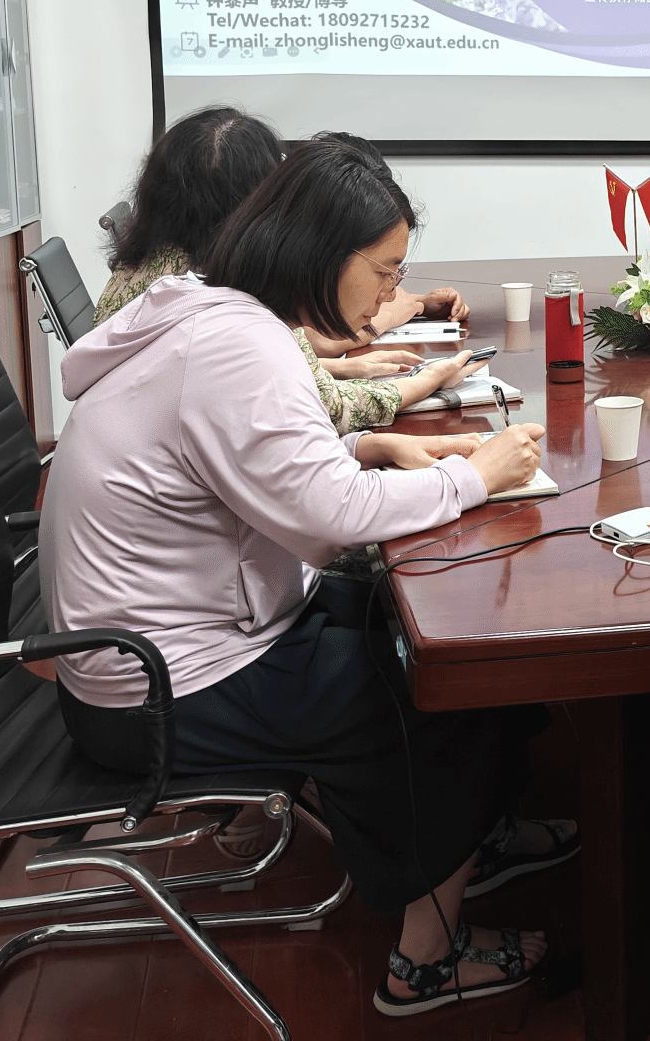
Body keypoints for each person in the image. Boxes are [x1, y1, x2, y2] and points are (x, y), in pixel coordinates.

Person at [43, 135, 573, 1017]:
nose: (389, 295)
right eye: (386, 272)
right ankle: (426, 961)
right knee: (445, 682)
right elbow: (333, 518)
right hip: (156, 689)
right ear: (325, 254)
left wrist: (366, 445)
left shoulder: (215, 312)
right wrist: (475, 476)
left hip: (165, 642)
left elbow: (242, 462)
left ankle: (468, 840)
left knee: (407, 621)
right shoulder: (238, 346)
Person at [97, 106, 481, 431]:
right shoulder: (220, 291)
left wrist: (337, 369)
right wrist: (429, 378)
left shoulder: (142, 265)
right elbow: (326, 407)